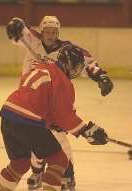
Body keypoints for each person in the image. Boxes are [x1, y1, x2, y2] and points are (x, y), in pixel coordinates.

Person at [6, 16, 113, 190]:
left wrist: (101, 76)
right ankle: (38, 170)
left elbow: (86, 62)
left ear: (58, 32)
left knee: (57, 139)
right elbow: (18, 31)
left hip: (51, 103)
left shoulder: (67, 51)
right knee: (36, 139)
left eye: (53, 32)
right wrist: (14, 26)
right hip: (31, 100)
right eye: (46, 32)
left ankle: (67, 174)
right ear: (42, 32)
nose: (49, 35)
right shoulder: (33, 40)